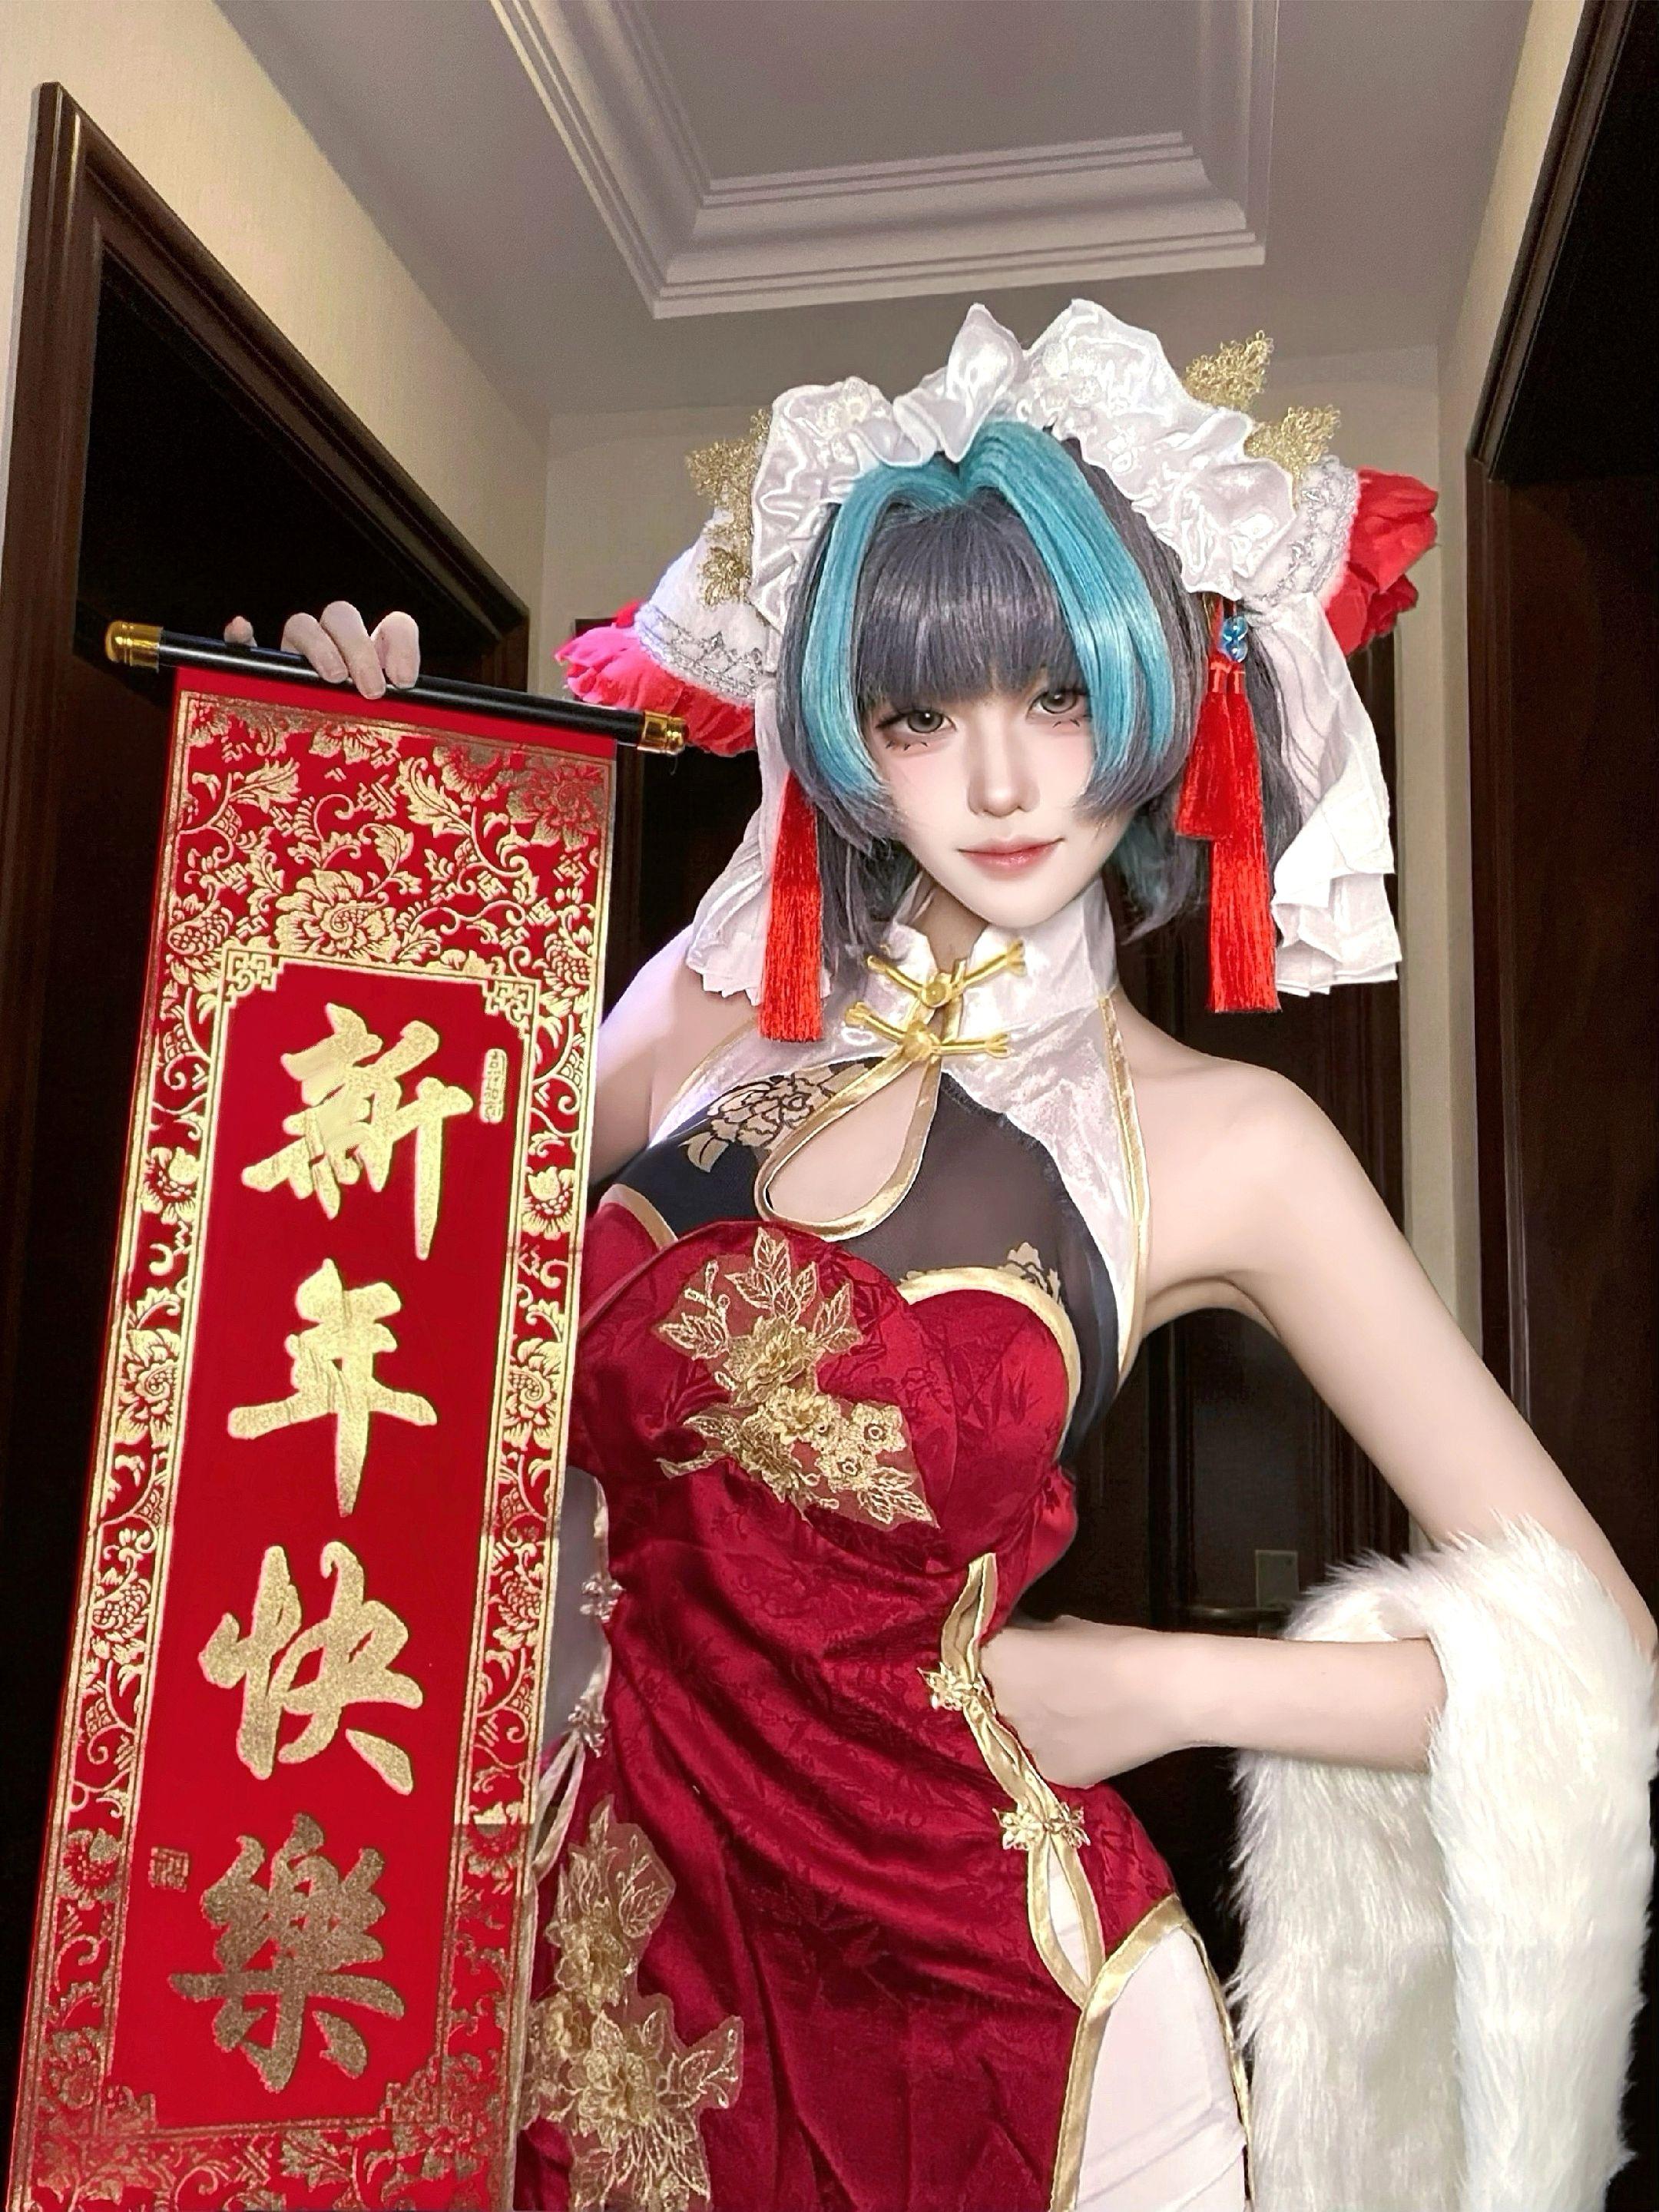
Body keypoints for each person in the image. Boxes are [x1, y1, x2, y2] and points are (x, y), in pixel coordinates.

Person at [245, 303, 1655, 2212]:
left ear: (1161, 692)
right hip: (591, 1971)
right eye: (923, 716)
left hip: (1002, 2036)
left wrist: (1157, 1686)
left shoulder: (1230, 1145)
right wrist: (341, 837)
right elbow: (381, 1335)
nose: (1000, 784)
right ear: (849, 731)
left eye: (1058, 698)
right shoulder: (697, 1012)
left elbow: (1601, 1652)